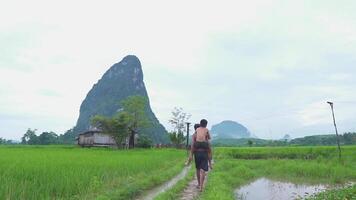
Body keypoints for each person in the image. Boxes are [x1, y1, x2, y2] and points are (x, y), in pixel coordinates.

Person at [188, 119, 212, 192]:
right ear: (206, 124)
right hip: (204, 152)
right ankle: (201, 186)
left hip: (197, 152)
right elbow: (209, 139)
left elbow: (192, 145)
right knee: (203, 170)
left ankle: (199, 184)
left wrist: (191, 154)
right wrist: (207, 136)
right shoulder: (206, 130)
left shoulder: (196, 131)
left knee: (198, 169)